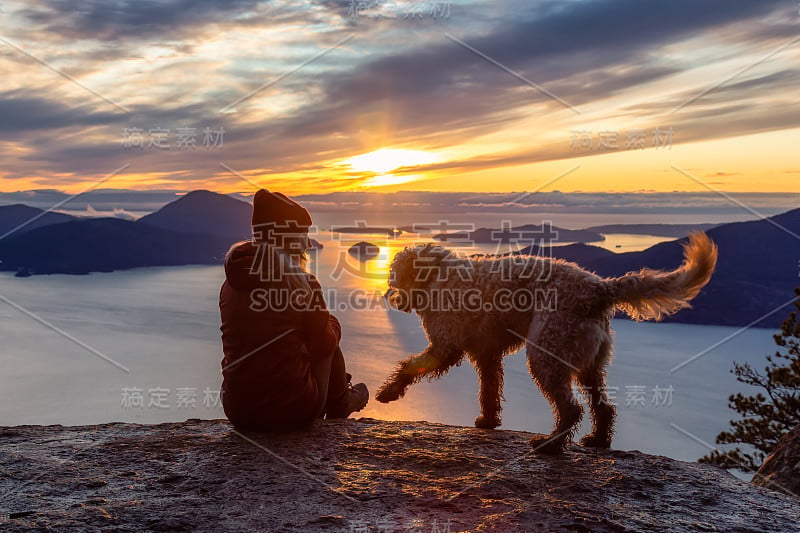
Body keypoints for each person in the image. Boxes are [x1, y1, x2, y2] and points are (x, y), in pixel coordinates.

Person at [219, 189, 368, 431]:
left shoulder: (231, 284)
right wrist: (334, 326)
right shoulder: (302, 283)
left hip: (237, 410)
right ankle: (341, 402)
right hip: (293, 411)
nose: (308, 243)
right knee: (328, 330)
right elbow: (323, 345)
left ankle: (339, 397)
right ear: (286, 238)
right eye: (303, 235)